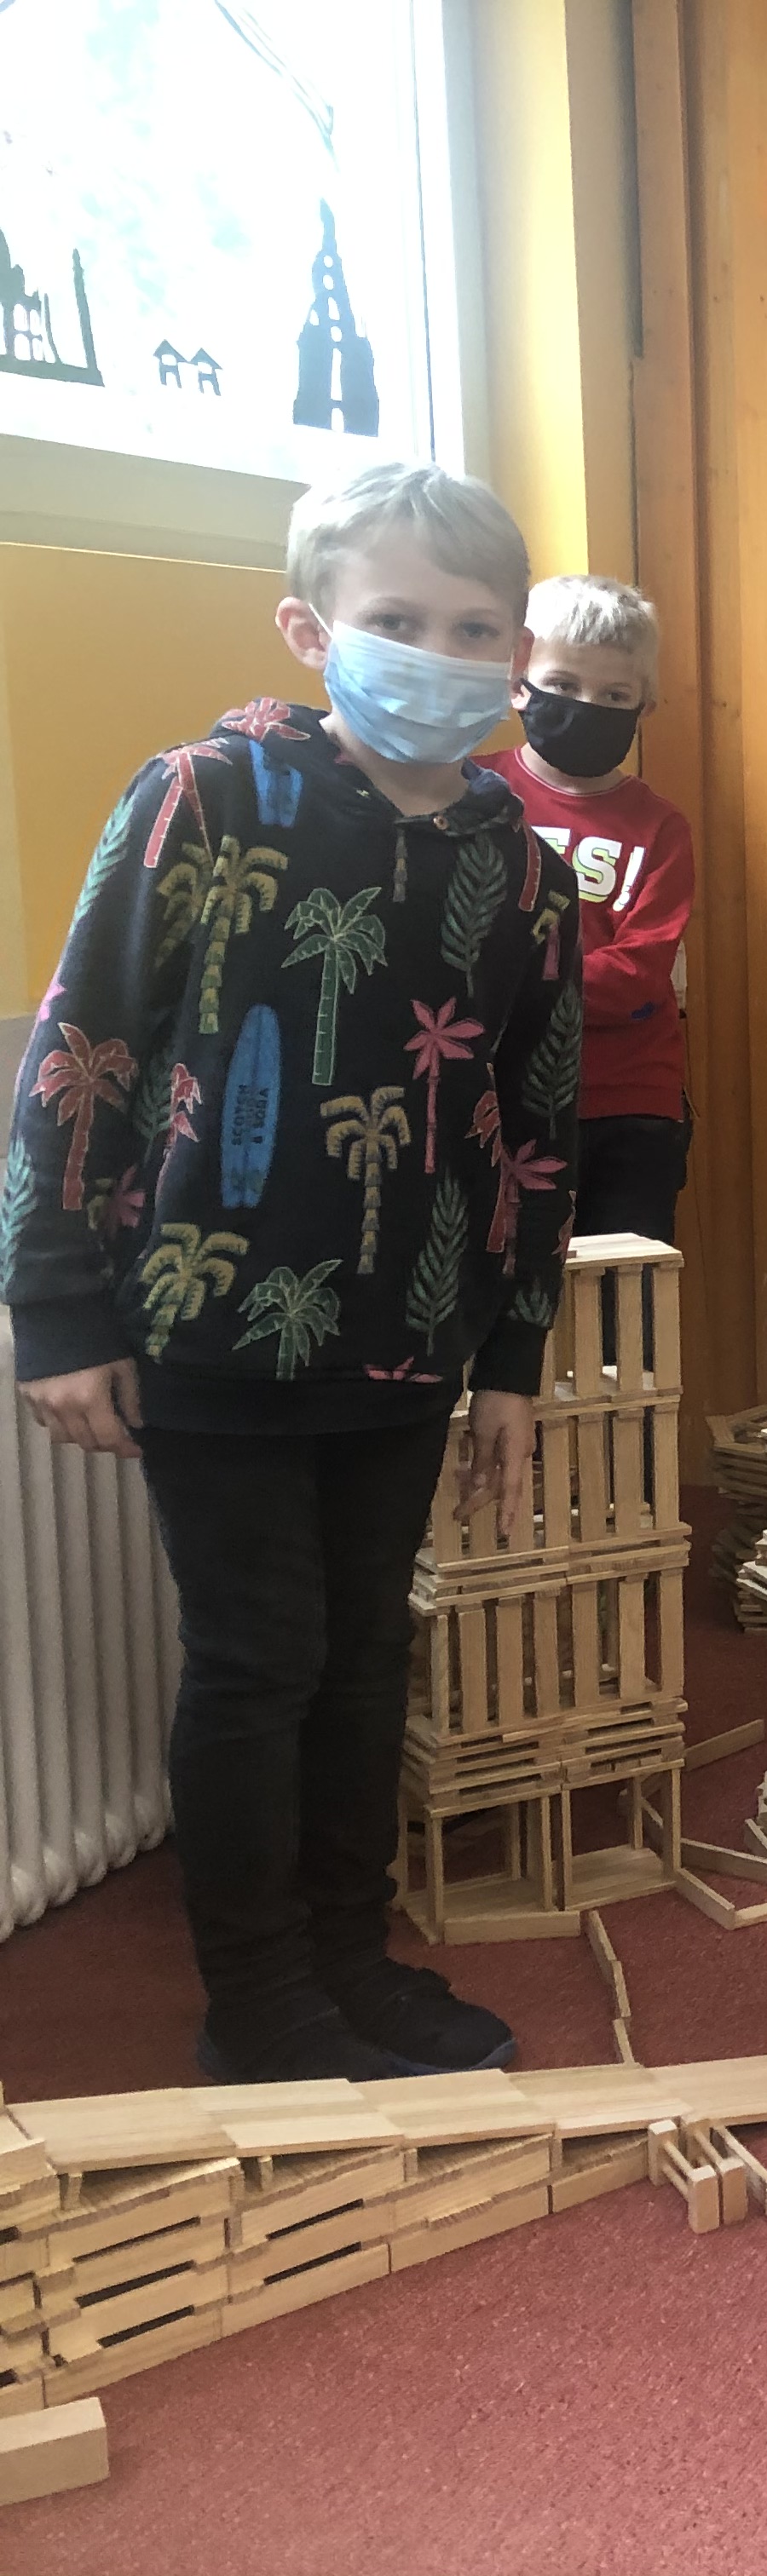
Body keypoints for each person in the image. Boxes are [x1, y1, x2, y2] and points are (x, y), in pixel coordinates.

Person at [3, 461, 579, 2085]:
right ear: (310, 626)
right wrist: (55, 1307)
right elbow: (83, 1046)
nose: (437, 651)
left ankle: (349, 1957)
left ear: (515, 647)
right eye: (398, 617)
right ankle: (256, 1996)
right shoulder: (201, 796)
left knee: (367, 1647)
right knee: (259, 1656)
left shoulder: (524, 867)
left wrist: (513, 1354)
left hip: (411, 1328)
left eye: (473, 626)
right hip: (211, 1321)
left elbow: (538, 1122)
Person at [478, 573, 695, 1242]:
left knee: (628, 1292)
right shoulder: (473, 793)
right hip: (500, 1094)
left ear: (643, 707)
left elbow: (639, 976)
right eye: (564, 684)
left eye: (614, 695)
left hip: (631, 1103)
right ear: (518, 684)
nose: (586, 706)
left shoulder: (661, 827)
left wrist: (508, 980)